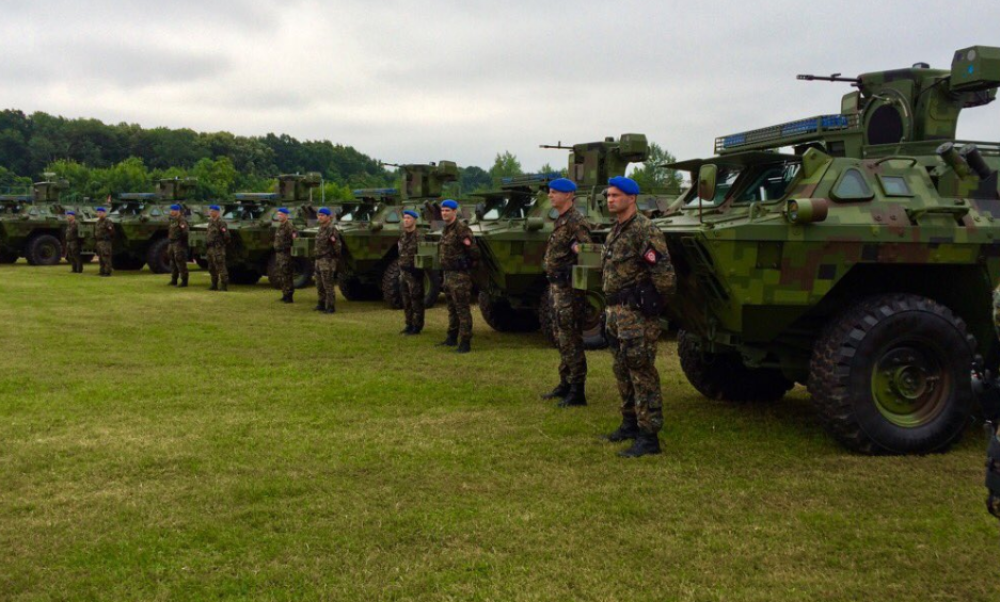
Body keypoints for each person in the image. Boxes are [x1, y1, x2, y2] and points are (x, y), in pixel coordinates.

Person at [599, 176, 676, 457]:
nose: (610, 200)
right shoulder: (616, 230)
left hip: (636, 314)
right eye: (608, 195)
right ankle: (629, 423)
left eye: (616, 195)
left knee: (641, 372)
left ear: (632, 198)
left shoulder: (645, 230)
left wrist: (649, 308)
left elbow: (665, 277)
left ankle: (649, 436)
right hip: (616, 313)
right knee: (622, 370)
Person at [540, 177, 592, 407]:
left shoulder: (576, 221)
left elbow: (588, 255)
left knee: (570, 338)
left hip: (569, 289)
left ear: (568, 195)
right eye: (550, 191)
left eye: (554, 192)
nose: (550, 195)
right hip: (557, 287)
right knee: (560, 336)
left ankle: (577, 389)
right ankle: (566, 382)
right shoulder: (560, 220)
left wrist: (573, 270)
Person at [437, 199, 479, 353]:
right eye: (443, 210)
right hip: (448, 274)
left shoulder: (462, 229)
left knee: (462, 309)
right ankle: (452, 337)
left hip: (460, 276)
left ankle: (465, 342)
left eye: (447, 210)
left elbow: (474, 252)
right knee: (451, 308)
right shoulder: (446, 229)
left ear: (455, 211)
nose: (444, 213)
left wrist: (465, 263)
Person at [398, 209, 425, 335]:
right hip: (403, 273)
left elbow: (423, 256)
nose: (406, 220)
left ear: (414, 220)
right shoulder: (403, 235)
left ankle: (417, 325)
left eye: (408, 218)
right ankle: (409, 323)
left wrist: (418, 271)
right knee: (406, 300)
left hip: (414, 273)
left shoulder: (419, 236)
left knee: (416, 300)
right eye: (405, 218)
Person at [314, 207, 341, 314]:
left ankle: (330, 306)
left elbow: (337, 247)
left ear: (328, 217)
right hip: (318, 260)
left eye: (322, 215)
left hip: (327, 260)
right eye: (319, 215)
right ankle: (321, 303)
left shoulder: (331, 230)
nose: (320, 217)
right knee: (319, 284)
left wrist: (332, 259)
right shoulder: (321, 229)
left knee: (328, 284)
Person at [274, 207, 297, 303]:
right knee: (281, 275)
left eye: (281, 214)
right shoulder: (279, 227)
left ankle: (289, 295)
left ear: (286, 215)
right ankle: (284, 294)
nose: (279, 216)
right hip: (279, 254)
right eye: (278, 214)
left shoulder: (290, 227)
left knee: (287, 275)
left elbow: (294, 241)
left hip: (286, 254)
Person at [205, 204, 230, 291]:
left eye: (212, 211)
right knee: (211, 267)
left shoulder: (221, 223)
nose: (210, 212)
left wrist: (220, 244)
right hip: (210, 248)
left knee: (220, 266)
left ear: (217, 212)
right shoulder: (211, 222)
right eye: (210, 211)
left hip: (218, 248)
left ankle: (224, 285)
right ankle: (214, 284)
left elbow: (226, 236)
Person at [167, 203, 189, 287]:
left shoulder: (181, 220)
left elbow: (185, 232)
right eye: (171, 210)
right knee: (172, 261)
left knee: (180, 261)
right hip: (172, 242)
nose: (171, 212)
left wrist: (181, 241)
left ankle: (184, 280)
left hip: (179, 243)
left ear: (177, 211)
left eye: (173, 210)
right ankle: (174, 279)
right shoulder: (173, 220)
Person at [94, 206, 115, 277]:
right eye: (98, 212)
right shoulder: (97, 222)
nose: (99, 214)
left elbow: (111, 231)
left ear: (104, 213)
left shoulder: (107, 221)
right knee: (100, 257)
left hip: (105, 242)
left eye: (101, 212)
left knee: (106, 257)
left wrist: (108, 237)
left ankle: (107, 272)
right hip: (99, 242)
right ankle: (102, 271)